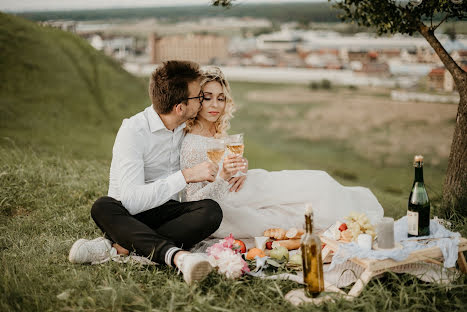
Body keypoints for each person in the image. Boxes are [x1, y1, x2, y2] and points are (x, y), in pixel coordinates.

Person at [68, 61, 235, 285]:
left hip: (162, 211)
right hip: (128, 213)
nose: (202, 101)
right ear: (180, 107)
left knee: (210, 211)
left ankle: (118, 248)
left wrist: (229, 168)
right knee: (102, 206)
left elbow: (206, 146)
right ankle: (177, 256)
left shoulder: (181, 127)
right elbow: (132, 201)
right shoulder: (134, 131)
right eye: (199, 97)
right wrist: (185, 176)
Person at [180, 66, 384, 238]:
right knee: (308, 197)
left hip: (252, 186)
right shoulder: (191, 144)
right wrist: (223, 178)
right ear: (197, 99)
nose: (215, 105)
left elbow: (228, 166)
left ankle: (358, 214)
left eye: (221, 98)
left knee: (319, 183)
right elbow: (193, 203)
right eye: (208, 98)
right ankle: (351, 220)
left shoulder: (213, 131)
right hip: (233, 201)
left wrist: (241, 167)